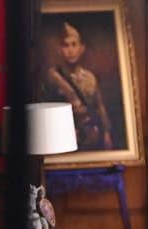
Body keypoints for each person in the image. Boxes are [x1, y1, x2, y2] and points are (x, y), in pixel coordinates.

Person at [41, 21, 115, 151]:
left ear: (82, 48)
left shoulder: (90, 78)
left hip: (92, 135)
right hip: (64, 136)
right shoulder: (53, 76)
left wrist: (106, 133)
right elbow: (45, 110)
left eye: (74, 44)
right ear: (60, 49)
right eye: (66, 45)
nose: (70, 50)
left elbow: (99, 106)